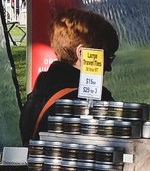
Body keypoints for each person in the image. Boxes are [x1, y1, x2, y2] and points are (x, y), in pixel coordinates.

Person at [20, 8, 119, 141]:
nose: (109, 67)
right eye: (107, 57)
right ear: (82, 53)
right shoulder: (92, 101)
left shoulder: (38, 95)